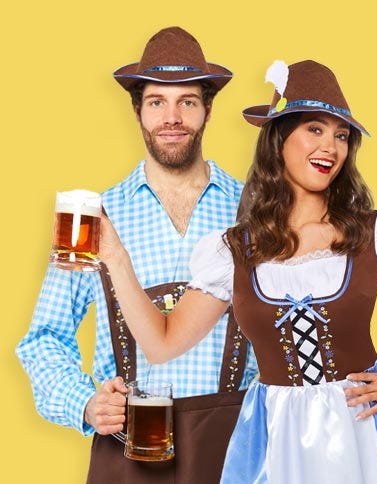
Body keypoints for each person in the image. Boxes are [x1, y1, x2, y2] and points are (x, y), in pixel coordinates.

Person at [98, 59, 377, 484]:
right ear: (278, 139)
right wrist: (116, 258)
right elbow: (162, 344)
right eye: (314, 130)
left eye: (341, 135)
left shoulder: (375, 233)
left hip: (365, 432)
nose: (331, 147)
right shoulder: (234, 252)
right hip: (275, 436)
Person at [16, 26, 258, 483]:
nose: (172, 117)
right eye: (156, 102)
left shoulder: (253, 210)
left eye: (187, 101)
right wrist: (85, 402)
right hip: (129, 453)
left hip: (237, 452)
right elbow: (44, 337)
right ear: (138, 112)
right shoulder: (94, 218)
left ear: (208, 109)